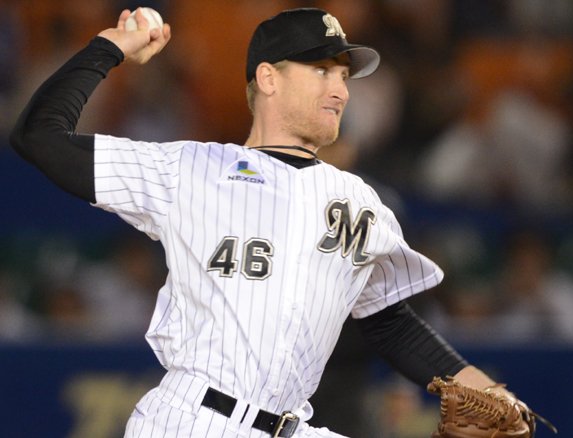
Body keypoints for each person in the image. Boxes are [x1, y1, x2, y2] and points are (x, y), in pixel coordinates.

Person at [10, 7, 526, 438]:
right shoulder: (190, 169)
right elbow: (41, 137)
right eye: (322, 70)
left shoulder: (359, 200)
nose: (341, 90)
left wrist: (484, 389)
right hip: (196, 420)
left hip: (294, 425)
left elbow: (388, 321)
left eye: (344, 76)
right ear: (268, 77)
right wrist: (109, 48)